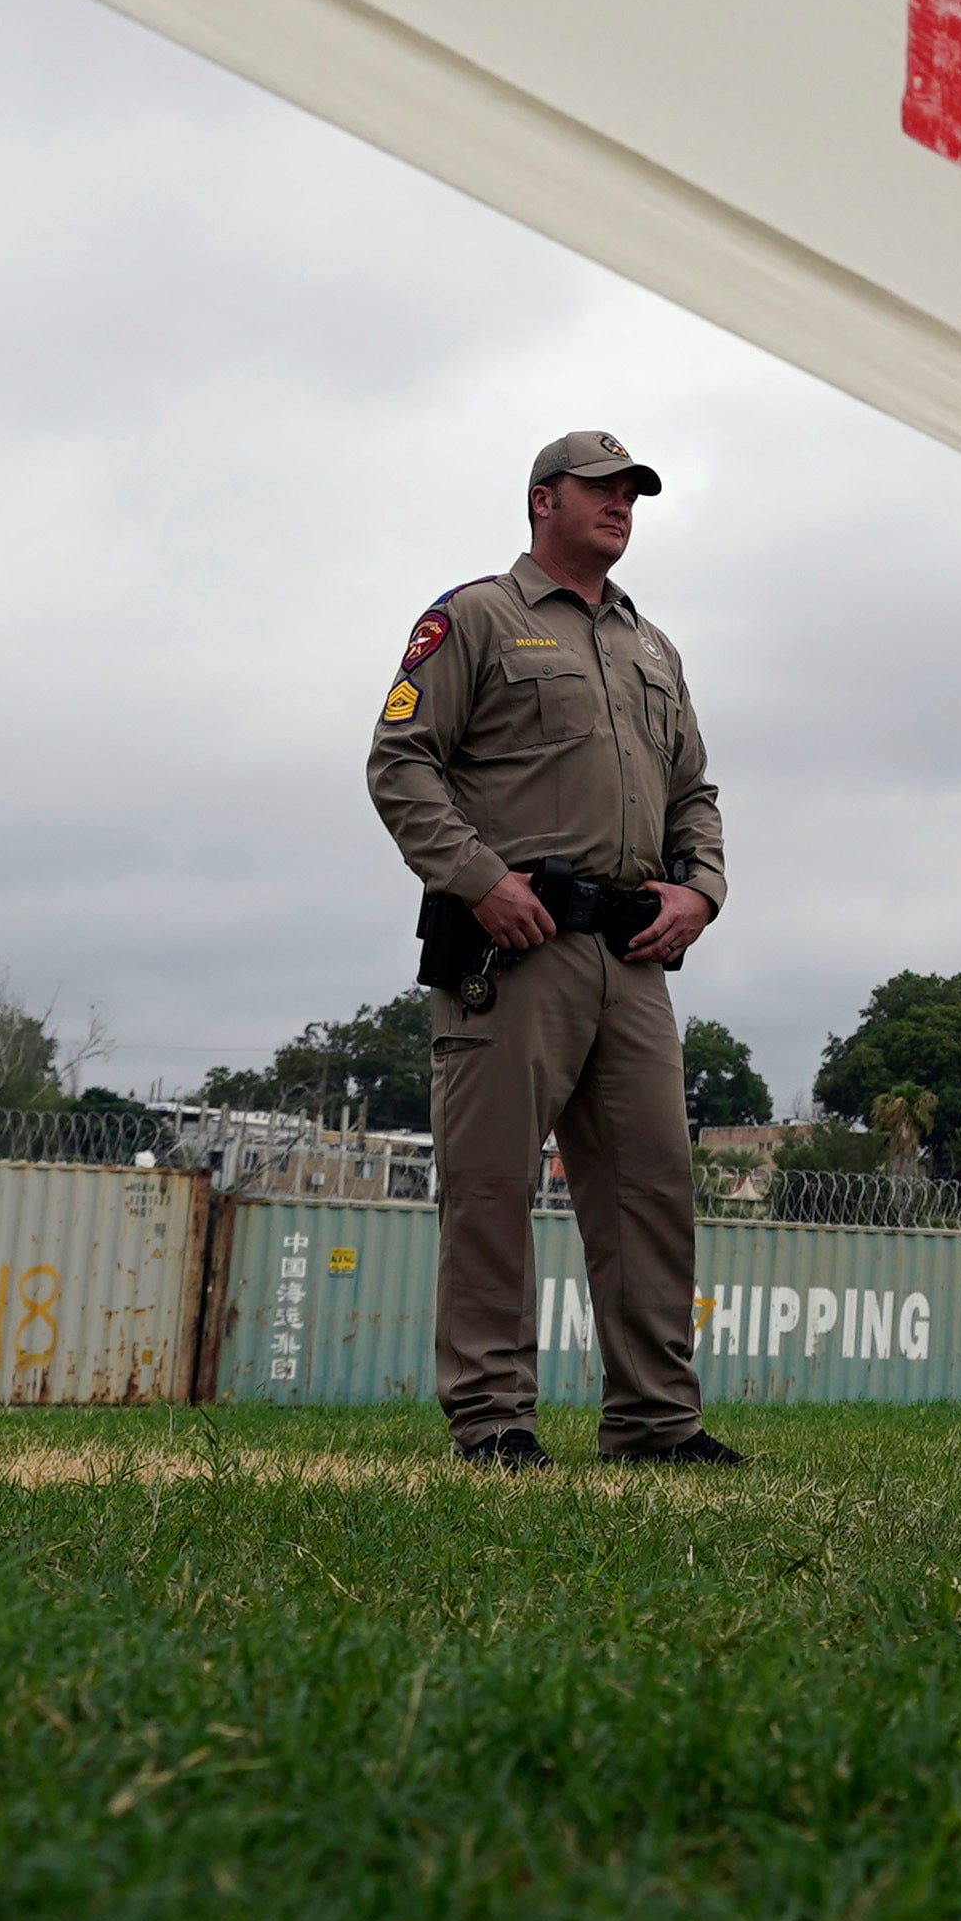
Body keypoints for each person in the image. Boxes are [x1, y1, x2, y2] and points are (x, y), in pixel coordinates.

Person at [369, 431, 732, 1469]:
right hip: (512, 950)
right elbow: (401, 762)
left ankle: (655, 1424)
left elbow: (694, 792)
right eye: (602, 489)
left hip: (632, 956)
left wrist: (701, 889)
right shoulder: (476, 617)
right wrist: (479, 880)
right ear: (543, 500)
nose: (622, 506)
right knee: (490, 1190)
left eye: (634, 494)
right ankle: (493, 1419)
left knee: (651, 1193)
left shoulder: (652, 646)